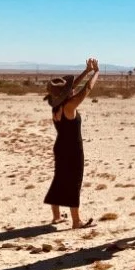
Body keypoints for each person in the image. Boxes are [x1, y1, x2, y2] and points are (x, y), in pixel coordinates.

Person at [43, 58, 100, 229]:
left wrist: (86, 70)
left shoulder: (56, 105)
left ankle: (56, 216)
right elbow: (86, 89)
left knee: (60, 179)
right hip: (73, 150)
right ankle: (76, 221)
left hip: (60, 147)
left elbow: (72, 87)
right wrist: (96, 72)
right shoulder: (70, 106)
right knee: (74, 182)